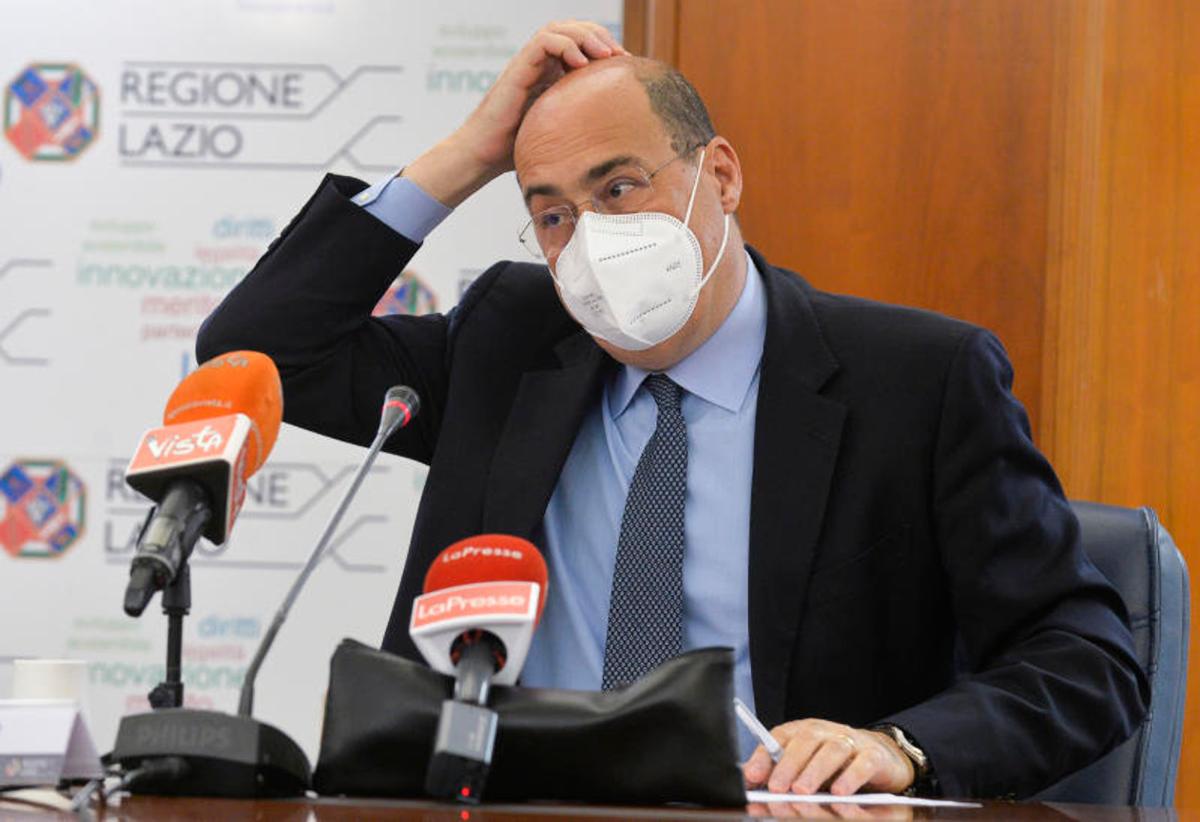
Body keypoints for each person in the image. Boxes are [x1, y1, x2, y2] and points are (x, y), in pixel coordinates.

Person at [197, 20, 1147, 800]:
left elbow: (1085, 659)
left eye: (619, 187)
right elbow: (265, 347)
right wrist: (467, 156)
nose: (591, 239)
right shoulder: (508, 342)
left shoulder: (916, 381)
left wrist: (899, 746)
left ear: (720, 176)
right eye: (554, 213)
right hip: (510, 801)